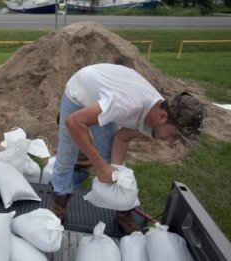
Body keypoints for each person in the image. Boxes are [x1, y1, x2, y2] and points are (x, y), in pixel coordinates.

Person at [50, 63, 206, 234]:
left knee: (111, 158)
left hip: (107, 93)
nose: (170, 142)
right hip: (80, 91)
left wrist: (115, 171)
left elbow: (122, 137)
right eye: (174, 135)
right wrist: (101, 168)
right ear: (163, 116)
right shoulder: (126, 104)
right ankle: (59, 203)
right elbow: (74, 122)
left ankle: (122, 212)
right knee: (67, 155)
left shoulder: (153, 114)